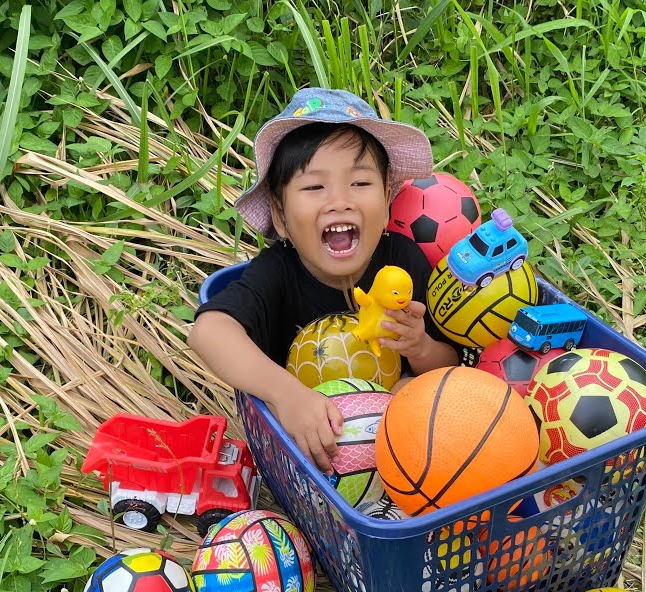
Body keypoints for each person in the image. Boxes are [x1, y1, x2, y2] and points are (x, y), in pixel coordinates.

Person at [190, 88, 462, 473]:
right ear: (281, 218)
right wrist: (288, 396)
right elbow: (208, 331)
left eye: (360, 184)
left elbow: (451, 364)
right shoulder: (277, 273)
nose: (340, 201)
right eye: (314, 187)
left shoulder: (402, 262)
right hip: (317, 452)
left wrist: (419, 348)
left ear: (386, 204)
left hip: (403, 449)